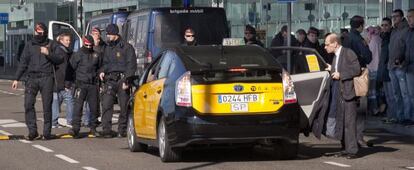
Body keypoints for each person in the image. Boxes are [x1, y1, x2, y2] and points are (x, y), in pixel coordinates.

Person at [11, 22, 63, 140]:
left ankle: (47, 132)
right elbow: (23, 62)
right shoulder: (30, 45)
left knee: (47, 106)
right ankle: (33, 131)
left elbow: (60, 59)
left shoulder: (51, 44)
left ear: (44, 32)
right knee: (28, 105)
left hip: (46, 77)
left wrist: (48, 53)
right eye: (36, 32)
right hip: (31, 78)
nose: (38, 34)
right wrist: (16, 78)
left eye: (40, 32)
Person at [324, 33, 361, 159]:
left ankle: (352, 150)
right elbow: (339, 69)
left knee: (349, 122)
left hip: (348, 93)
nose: (325, 47)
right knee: (341, 121)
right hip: (339, 94)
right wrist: (332, 69)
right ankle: (345, 148)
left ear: (335, 43)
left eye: (327, 44)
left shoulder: (348, 52)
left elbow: (357, 69)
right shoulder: (336, 56)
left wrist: (341, 75)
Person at [99, 24, 137, 138]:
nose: (107, 36)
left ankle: (122, 130)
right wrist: (101, 71)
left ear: (115, 34)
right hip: (110, 80)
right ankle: (107, 130)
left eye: (109, 34)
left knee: (124, 106)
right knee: (106, 104)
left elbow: (131, 65)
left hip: (123, 80)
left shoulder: (126, 47)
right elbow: (104, 63)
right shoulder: (107, 48)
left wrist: (127, 80)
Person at [342, 15, 373, 148]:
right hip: (359, 75)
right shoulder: (358, 39)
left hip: (347, 76)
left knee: (349, 108)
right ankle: (358, 138)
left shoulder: (346, 38)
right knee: (361, 108)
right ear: (360, 26)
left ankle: (348, 138)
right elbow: (368, 57)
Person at [68, 35, 101, 138]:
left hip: (93, 84)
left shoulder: (96, 55)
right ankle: (75, 128)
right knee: (78, 107)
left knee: (94, 107)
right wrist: (70, 82)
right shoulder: (78, 54)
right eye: (86, 45)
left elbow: (100, 67)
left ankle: (93, 128)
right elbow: (71, 69)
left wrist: (100, 75)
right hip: (80, 84)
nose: (88, 47)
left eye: (90, 45)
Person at [388, 9, 411, 125]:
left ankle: (407, 117)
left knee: (405, 94)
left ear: (402, 17)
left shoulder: (406, 30)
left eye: (396, 16)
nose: (394, 19)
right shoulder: (394, 31)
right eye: (392, 17)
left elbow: (408, 48)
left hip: (401, 67)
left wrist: (403, 62)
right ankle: (399, 116)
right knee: (396, 93)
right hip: (392, 67)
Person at [82, 27, 105, 128]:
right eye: (95, 36)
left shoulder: (102, 47)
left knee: (95, 101)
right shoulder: (89, 49)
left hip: (97, 78)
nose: (97, 38)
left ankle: (93, 119)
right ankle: (88, 120)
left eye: (98, 36)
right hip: (88, 78)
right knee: (89, 101)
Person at [51, 32, 75, 128]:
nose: (69, 42)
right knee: (66, 100)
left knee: (57, 102)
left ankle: (55, 122)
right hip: (60, 82)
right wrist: (66, 83)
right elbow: (63, 70)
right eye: (66, 40)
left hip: (58, 82)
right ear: (61, 41)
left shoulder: (64, 50)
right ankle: (67, 121)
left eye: (69, 40)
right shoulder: (61, 51)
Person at [378, 17, 397, 124]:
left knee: (393, 94)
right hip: (384, 69)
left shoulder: (391, 36)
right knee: (388, 95)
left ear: (390, 26)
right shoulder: (384, 37)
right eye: (382, 25)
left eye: (386, 25)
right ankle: (390, 115)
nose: (384, 27)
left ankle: (394, 116)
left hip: (389, 68)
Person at [366, 26, 382, 115]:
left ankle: (374, 109)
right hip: (378, 68)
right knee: (377, 90)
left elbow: (369, 56)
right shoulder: (379, 39)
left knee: (372, 91)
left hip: (372, 68)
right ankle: (379, 108)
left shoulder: (373, 41)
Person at [404, 9, 414, 125]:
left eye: (411, 16)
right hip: (408, 67)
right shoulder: (408, 32)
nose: (409, 19)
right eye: (408, 17)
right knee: (410, 94)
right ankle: (410, 117)